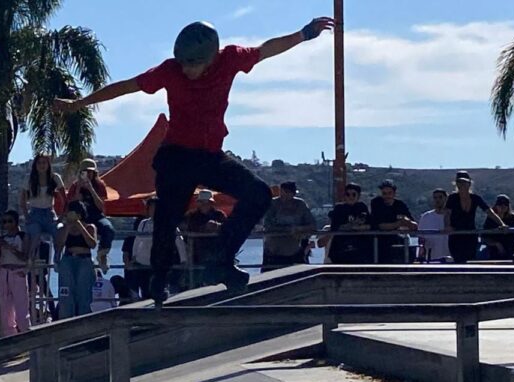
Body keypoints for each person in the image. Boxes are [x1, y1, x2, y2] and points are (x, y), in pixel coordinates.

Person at [54, 17, 335, 304]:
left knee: (259, 194)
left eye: (193, 65)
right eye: (183, 64)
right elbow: (128, 86)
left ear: (211, 58)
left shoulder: (230, 59)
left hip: (210, 156)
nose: (186, 70)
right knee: (167, 217)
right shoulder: (170, 70)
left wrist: (303, 34)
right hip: (176, 156)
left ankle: (221, 260)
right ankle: (159, 279)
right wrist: (79, 104)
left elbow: (266, 49)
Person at [445, 171, 506, 263]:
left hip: (471, 235)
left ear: (469, 184)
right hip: (456, 236)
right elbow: (447, 214)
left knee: (470, 260)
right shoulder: (452, 198)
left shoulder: (475, 198)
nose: (461, 185)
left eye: (464, 182)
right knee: (458, 261)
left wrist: (502, 224)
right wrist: (447, 226)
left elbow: (489, 212)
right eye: (459, 182)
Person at [66, 158, 115, 273]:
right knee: (68, 230)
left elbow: (101, 207)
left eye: (90, 172)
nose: (88, 174)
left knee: (108, 229)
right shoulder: (75, 186)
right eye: (85, 172)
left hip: (96, 216)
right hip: (81, 217)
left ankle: (102, 254)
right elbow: (72, 205)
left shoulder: (99, 185)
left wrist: (91, 190)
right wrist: (78, 188)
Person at [132, 196, 187, 297]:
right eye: (151, 208)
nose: (153, 211)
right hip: (143, 260)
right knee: (145, 289)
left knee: (159, 286)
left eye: (156, 208)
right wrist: (134, 255)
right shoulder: (143, 223)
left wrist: (183, 259)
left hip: (160, 260)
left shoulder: (168, 223)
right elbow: (137, 240)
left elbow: (179, 241)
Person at [55, 201, 97, 319]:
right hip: (68, 259)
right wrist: (67, 227)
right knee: (66, 293)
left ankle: (84, 320)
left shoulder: (90, 227)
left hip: (84, 260)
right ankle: (65, 319)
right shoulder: (63, 228)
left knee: (84, 293)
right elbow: (59, 245)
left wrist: (80, 227)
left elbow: (92, 244)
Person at [20, 154, 66, 260]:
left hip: (49, 213)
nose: (42, 165)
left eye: (44, 163)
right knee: (34, 234)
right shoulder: (29, 179)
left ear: (48, 164)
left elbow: (65, 200)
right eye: (39, 163)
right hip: (34, 213)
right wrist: (27, 217)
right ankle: (31, 259)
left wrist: (61, 217)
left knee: (59, 232)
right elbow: (22, 201)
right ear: (35, 165)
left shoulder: (55, 178)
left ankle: (57, 258)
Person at [262, 181, 316, 271]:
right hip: (274, 250)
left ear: (293, 193)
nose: (284, 196)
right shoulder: (273, 204)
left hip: (295, 249)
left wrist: (299, 229)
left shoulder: (300, 204)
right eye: (282, 193)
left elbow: (312, 225)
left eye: (287, 193)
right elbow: (267, 226)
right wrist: (287, 230)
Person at [0, 210, 31, 337]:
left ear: (16, 222)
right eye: (4, 222)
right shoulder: (2, 239)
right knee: (5, 307)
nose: (7, 224)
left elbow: (25, 256)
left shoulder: (23, 237)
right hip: (3, 273)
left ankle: (25, 333)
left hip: (18, 272)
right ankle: (8, 336)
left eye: (10, 221)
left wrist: (10, 248)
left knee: (22, 306)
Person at [183, 190, 227, 287]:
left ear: (211, 203)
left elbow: (228, 229)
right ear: (198, 203)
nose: (204, 204)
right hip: (196, 253)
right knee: (195, 278)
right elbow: (187, 232)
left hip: (216, 252)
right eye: (202, 202)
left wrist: (217, 226)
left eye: (207, 202)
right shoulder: (191, 216)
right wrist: (204, 229)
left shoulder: (219, 215)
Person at [369, 180, 417, 264]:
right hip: (379, 243)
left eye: (389, 193)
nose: (387, 196)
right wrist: (399, 223)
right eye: (384, 193)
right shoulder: (377, 203)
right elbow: (380, 226)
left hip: (396, 241)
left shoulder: (400, 205)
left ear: (394, 194)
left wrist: (407, 221)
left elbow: (414, 226)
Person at [329, 183, 372, 264]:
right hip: (340, 249)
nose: (350, 197)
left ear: (358, 196)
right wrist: (353, 225)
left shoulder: (362, 207)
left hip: (360, 249)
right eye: (348, 194)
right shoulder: (339, 209)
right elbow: (335, 227)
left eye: (353, 194)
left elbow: (370, 225)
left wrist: (358, 227)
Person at [482, 195, 514, 260]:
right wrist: (497, 244)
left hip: (512, 248)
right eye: (500, 204)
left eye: (505, 204)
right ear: (496, 206)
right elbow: (484, 237)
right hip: (494, 250)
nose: (503, 206)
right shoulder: (490, 219)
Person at [417, 189, 451, 263]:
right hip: (431, 257)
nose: (437, 200)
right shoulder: (425, 217)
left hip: (450, 257)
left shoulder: (453, 216)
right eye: (435, 198)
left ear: (446, 198)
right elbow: (421, 237)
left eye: (440, 197)